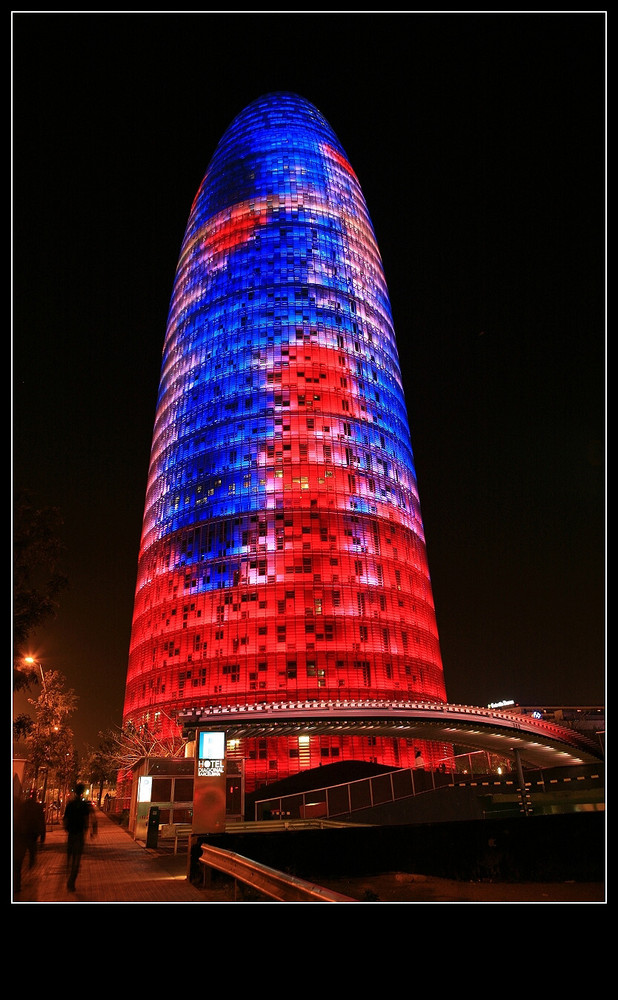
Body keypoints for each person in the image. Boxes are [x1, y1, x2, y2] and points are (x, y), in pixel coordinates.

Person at [63, 783, 97, 892]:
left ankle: (69, 877)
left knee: (70, 856)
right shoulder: (84, 806)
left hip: (71, 834)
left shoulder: (70, 804)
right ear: (82, 792)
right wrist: (92, 831)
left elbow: (65, 819)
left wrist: (66, 828)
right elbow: (90, 818)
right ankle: (71, 881)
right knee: (76, 858)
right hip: (80, 834)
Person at [13, 792, 46, 893]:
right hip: (31, 836)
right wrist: (42, 838)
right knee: (30, 854)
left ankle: (17, 885)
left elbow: (16, 820)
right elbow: (42, 822)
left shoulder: (22, 807)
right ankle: (30, 868)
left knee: (18, 861)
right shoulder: (38, 807)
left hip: (21, 836)